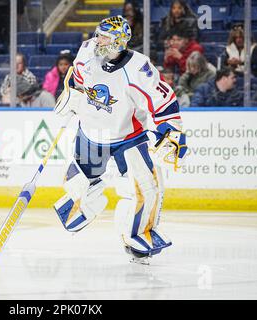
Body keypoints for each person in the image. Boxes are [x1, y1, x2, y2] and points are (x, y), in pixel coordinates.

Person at [53, 16, 188, 264]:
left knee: (146, 187)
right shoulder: (86, 51)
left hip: (129, 136)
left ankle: (137, 235)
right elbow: (77, 80)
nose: (97, 39)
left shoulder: (138, 69)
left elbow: (164, 101)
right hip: (91, 132)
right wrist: (72, 96)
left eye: (104, 36)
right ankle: (82, 204)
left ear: (118, 41)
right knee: (81, 180)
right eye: (97, 33)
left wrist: (170, 130)